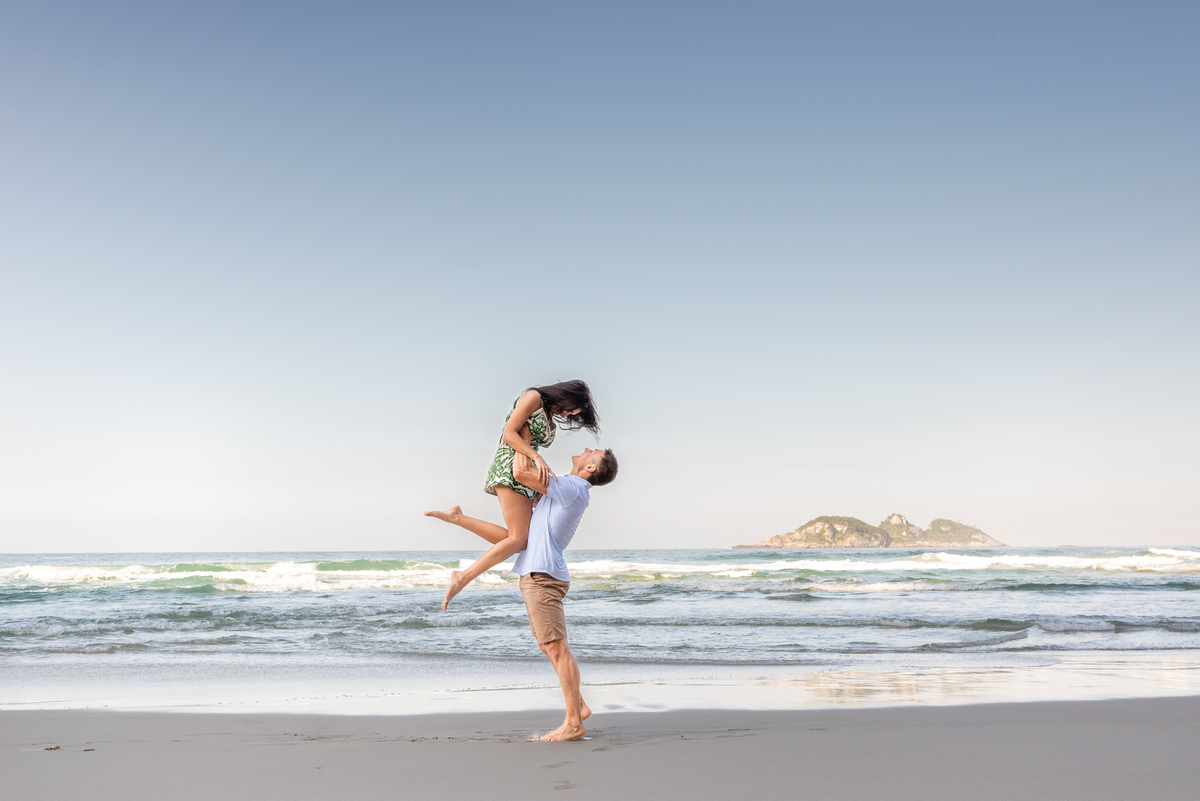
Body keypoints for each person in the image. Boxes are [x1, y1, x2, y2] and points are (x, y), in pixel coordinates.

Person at [425, 445, 618, 741]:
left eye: (594, 451)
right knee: (548, 645)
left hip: (543, 576)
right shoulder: (566, 489)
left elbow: (520, 472)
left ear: (591, 467)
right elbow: (517, 538)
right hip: (538, 573)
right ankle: (578, 706)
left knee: (556, 647)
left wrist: (522, 440)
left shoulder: (574, 487)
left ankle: (574, 722)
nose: (586, 448)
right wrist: (461, 520)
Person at [437, 380, 600, 611]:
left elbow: (527, 439)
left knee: (520, 539)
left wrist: (533, 460)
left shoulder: (549, 414)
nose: (568, 415)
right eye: (571, 410)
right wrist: (536, 456)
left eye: (573, 415)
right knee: (518, 540)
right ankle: (462, 577)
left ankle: (458, 518)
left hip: (525, 467)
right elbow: (508, 434)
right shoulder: (533, 397)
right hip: (511, 465)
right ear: (567, 397)